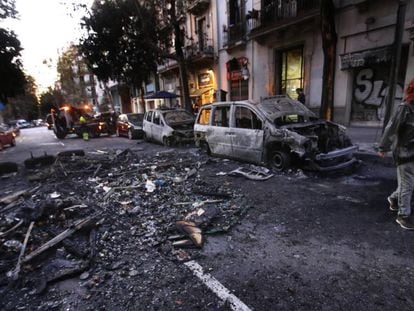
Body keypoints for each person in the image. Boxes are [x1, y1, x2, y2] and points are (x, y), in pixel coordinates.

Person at [378, 78, 414, 230]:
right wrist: (383, 147)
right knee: (408, 184)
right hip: (404, 151)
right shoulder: (405, 108)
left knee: (408, 182)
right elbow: (391, 128)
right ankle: (403, 215)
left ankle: (393, 198)